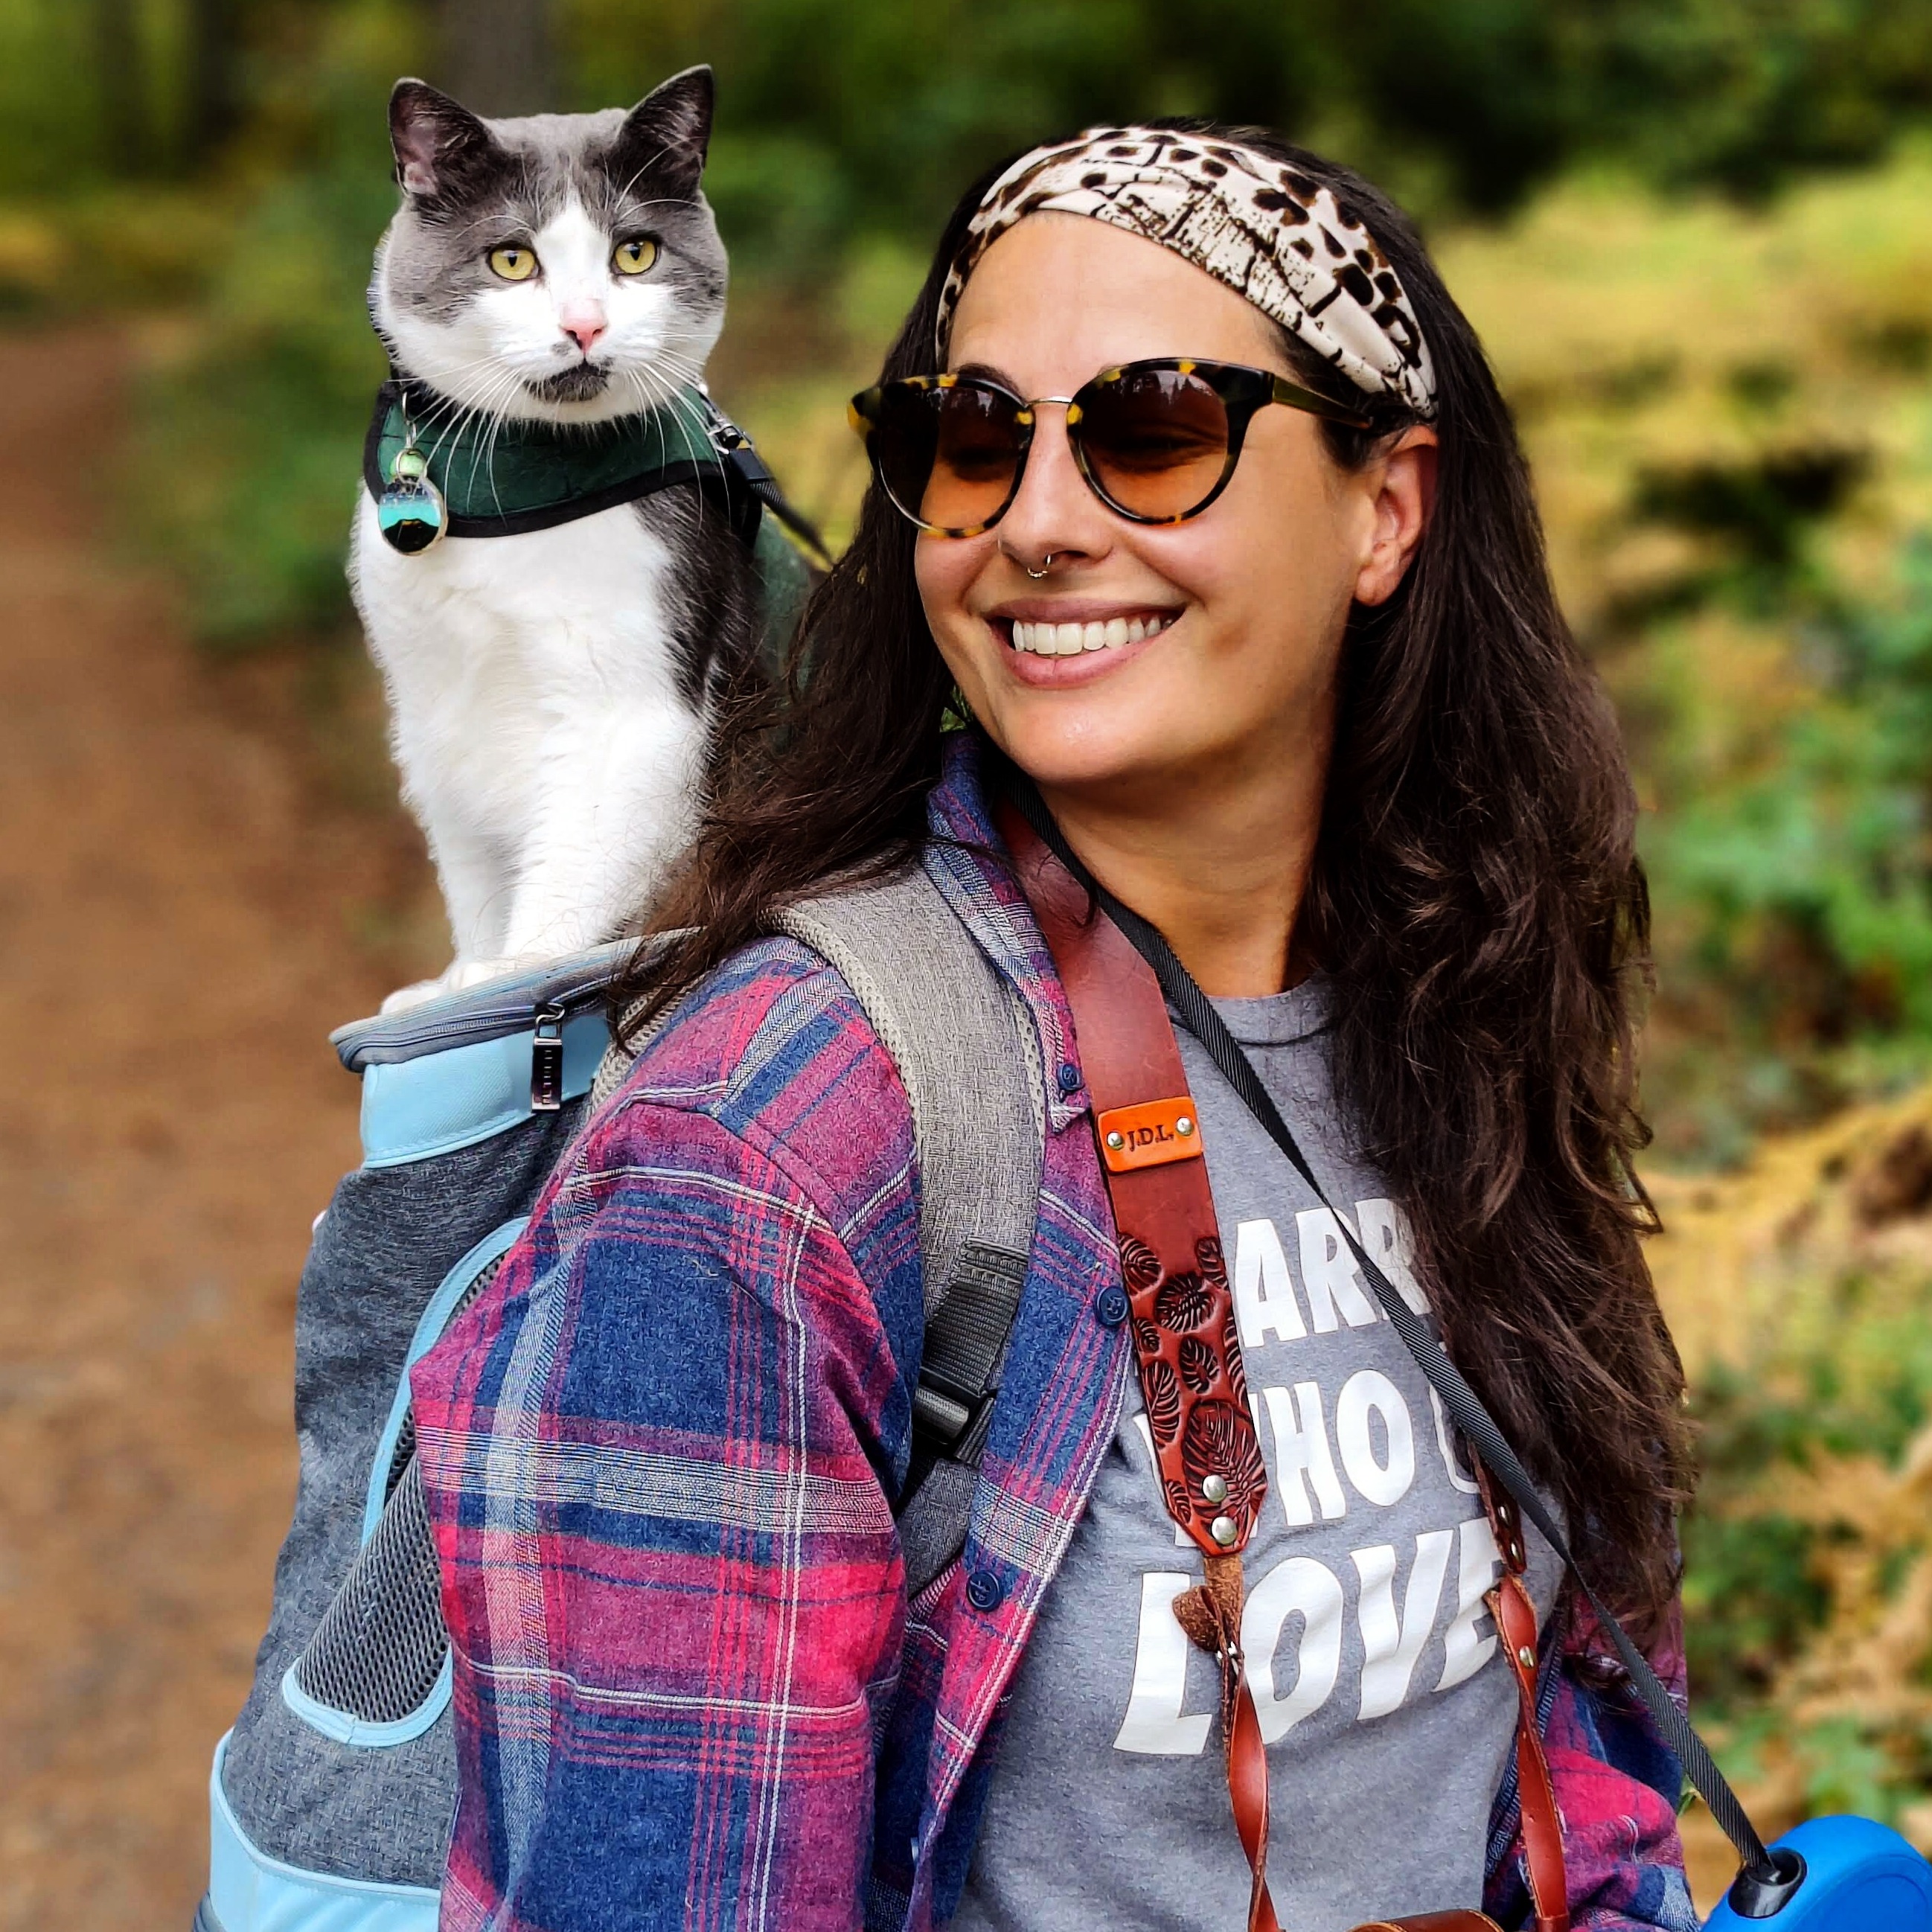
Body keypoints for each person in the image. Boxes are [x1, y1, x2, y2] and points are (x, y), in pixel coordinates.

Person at [411, 121, 1699, 1932]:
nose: (1033, 523)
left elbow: (1583, 1753)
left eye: (1150, 431)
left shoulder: (1463, 987)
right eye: (971, 438)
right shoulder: (766, 1148)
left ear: (1385, 509)